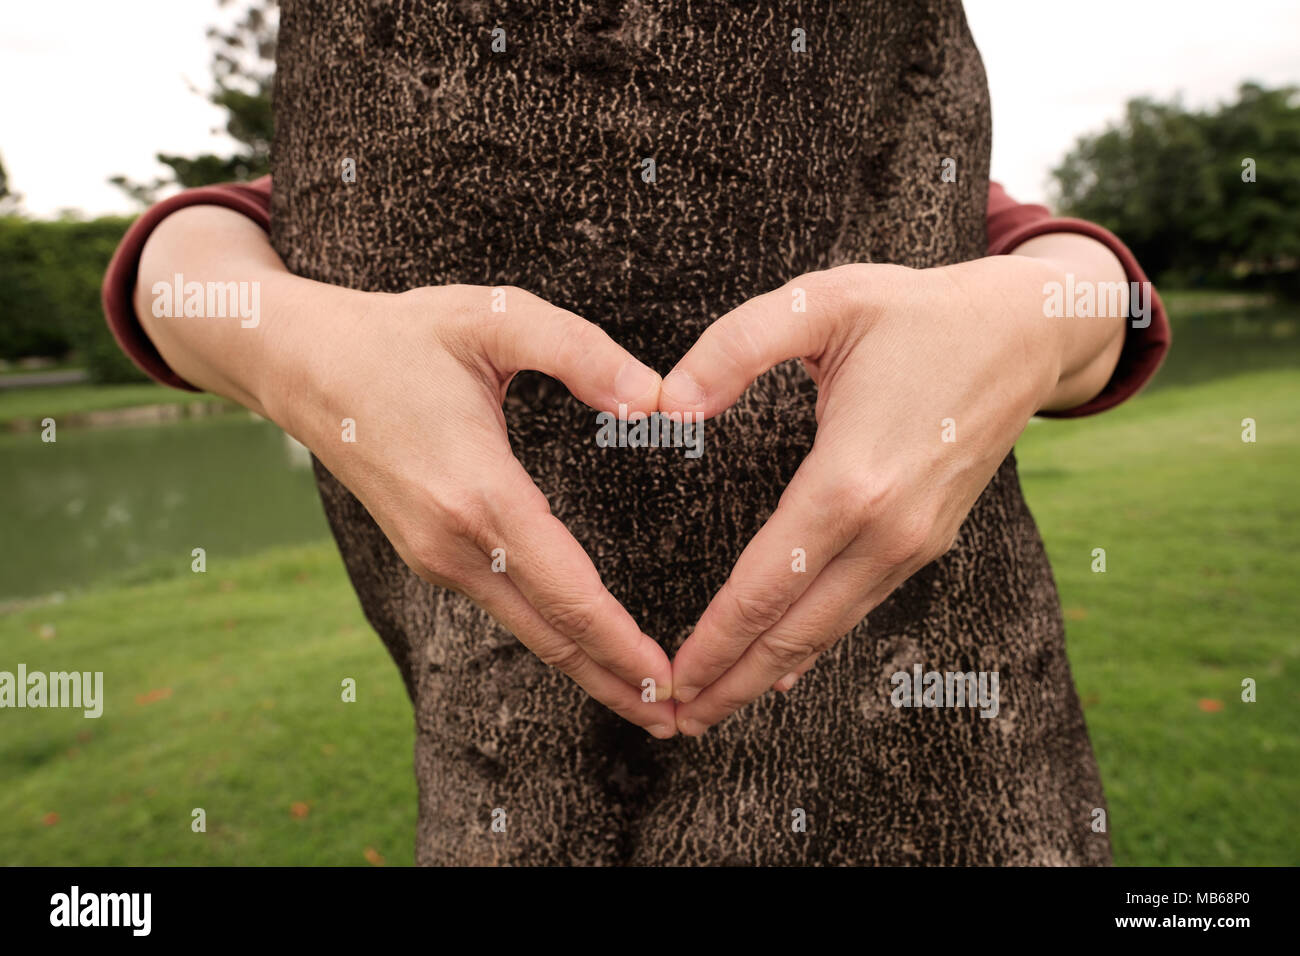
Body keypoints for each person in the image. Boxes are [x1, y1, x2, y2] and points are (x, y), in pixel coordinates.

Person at [102, 0, 1169, 865]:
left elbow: (1080, 287)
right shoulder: (425, 166)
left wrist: (1040, 313)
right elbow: (183, 262)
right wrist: (299, 351)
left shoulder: (851, 153)